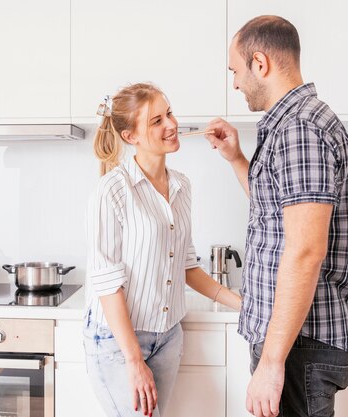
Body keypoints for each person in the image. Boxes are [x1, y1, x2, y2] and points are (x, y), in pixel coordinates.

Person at [204, 16, 348, 417]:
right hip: (293, 341)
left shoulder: (300, 129)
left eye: (235, 72)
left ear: (260, 63)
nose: (235, 84)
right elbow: (276, 211)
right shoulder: (291, 125)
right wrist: (237, 158)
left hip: (297, 345)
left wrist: (273, 362)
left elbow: (306, 250)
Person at [84, 82, 242, 417]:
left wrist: (242, 304)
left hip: (168, 337)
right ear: (131, 137)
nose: (171, 124)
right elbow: (108, 284)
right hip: (117, 343)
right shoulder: (112, 190)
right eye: (156, 121)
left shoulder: (182, 185)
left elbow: (186, 266)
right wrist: (133, 360)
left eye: (168, 113)